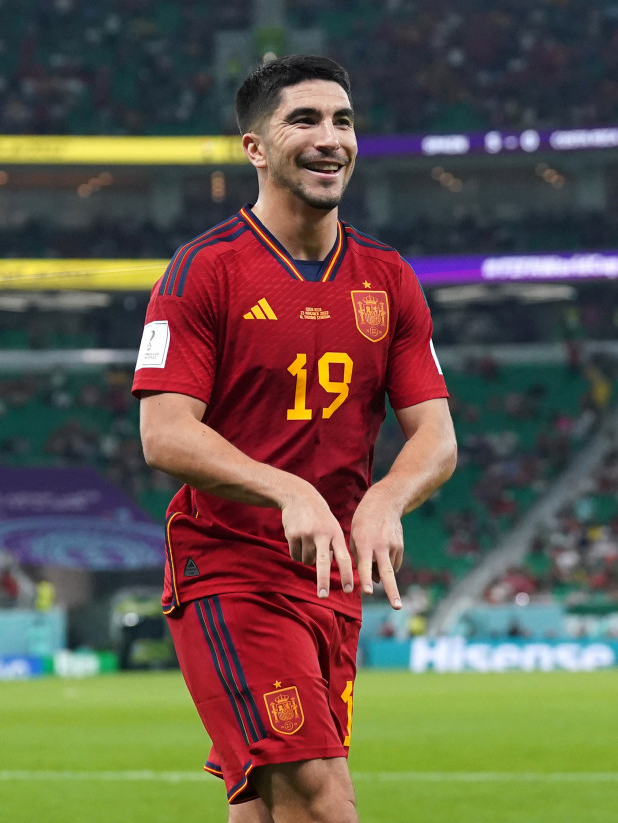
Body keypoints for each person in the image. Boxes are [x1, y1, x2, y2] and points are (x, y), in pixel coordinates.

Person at [133, 55, 457, 823]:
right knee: (319, 795)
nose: (330, 137)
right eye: (304, 120)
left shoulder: (389, 278)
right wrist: (289, 489)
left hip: (332, 582)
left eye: (342, 120)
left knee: (266, 806)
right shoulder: (202, 273)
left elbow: (436, 437)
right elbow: (163, 431)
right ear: (255, 148)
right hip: (231, 567)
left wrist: (386, 495)